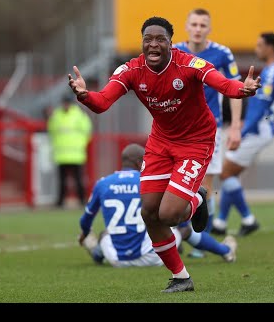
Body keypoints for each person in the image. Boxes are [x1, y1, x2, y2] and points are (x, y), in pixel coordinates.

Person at [67, 16, 261, 293]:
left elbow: (221, 83)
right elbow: (103, 102)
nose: (154, 45)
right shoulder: (131, 70)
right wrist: (85, 95)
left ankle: (197, 198)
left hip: (196, 141)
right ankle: (181, 277)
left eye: (160, 40)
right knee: (149, 212)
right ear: (142, 42)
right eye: (148, 39)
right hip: (161, 143)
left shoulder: (189, 64)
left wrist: (242, 89)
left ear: (171, 43)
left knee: (170, 215)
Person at [78, 143, 238, 267]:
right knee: (183, 229)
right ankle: (226, 251)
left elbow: (85, 220)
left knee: (105, 234)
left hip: (116, 259)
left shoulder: (103, 183)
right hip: (151, 254)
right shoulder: (148, 183)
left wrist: (85, 233)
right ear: (140, 162)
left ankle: (96, 252)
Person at [174, 8, 243, 258]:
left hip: (209, 128)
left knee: (205, 186)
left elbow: (236, 88)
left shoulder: (222, 53)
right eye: (194, 24)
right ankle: (185, 234)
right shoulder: (175, 52)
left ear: (209, 28)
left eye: (203, 25)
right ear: (186, 26)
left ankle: (203, 239)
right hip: (179, 128)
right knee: (179, 183)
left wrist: (235, 126)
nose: (198, 28)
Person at [211, 32, 274, 237]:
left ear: (271, 47)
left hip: (257, 130)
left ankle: (248, 219)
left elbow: (260, 106)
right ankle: (220, 222)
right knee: (230, 175)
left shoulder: (271, 73)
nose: (257, 49)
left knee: (225, 172)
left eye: (260, 45)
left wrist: (242, 132)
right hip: (259, 128)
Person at [47, 94, 93, 208]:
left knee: (78, 179)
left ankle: (82, 200)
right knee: (61, 180)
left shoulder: (79, 115)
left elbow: (88, 131)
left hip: (76, 154)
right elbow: (51, 131)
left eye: (67, 102)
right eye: (64, 102)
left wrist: (81, 144)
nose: (65, 105)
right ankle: (60, 202)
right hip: (61, 154)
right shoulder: (56, 115)